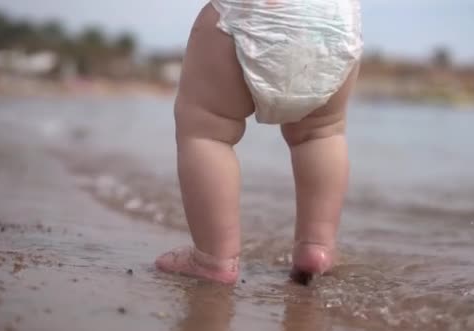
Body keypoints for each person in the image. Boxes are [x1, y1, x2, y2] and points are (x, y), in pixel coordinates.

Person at [155, 0, 363, 284]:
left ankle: (213, 258)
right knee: (322, 133)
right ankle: (317, 247)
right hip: (334, 21)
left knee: (207, 133)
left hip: (249, 11)